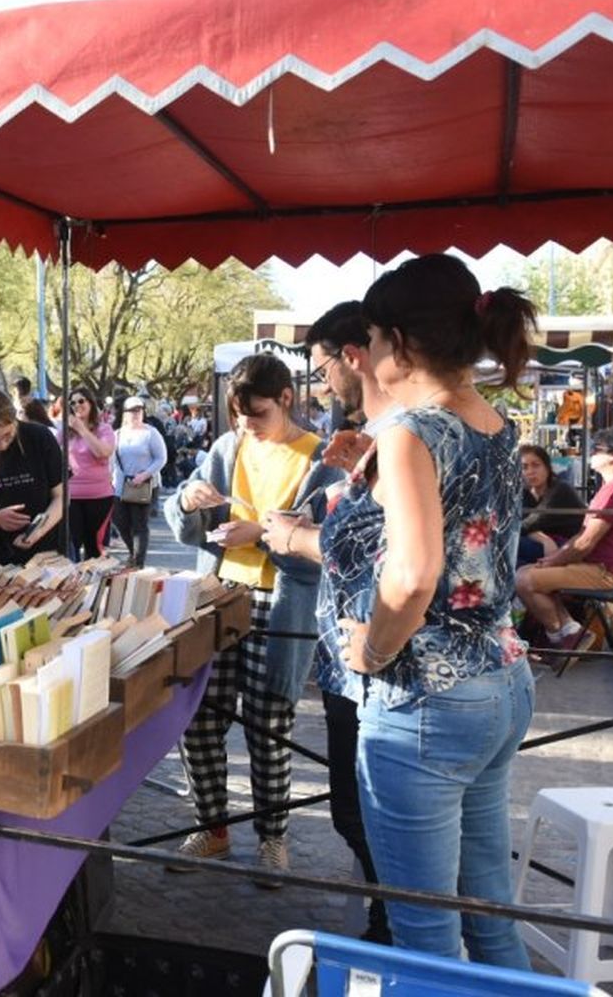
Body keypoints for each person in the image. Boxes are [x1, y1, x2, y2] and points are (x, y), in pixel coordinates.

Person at [315, 253, 536, 969]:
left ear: (399, 342)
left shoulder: (414, 430)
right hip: (499, 681)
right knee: (490, 917)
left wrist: (370, 650)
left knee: (425, 942)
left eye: (374, 338)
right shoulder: (491, 422)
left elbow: (412, 577)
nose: (369, 354)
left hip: (425, 701)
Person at [167, 353, 339, 880]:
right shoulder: (227, 446)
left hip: (280, 602)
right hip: (220, 593)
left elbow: (325, 545)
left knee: (269, 725)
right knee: (199, 717)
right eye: (238, 415)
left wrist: (260, 534)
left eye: (257, 414)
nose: (247, 425)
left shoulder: (321, 459)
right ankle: (212, 827)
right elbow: (183, 514)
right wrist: (190, 501)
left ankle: (272, 837)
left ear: (286, 399)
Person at [260, 299, 392, 943]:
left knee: (364, 816)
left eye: (321, 368)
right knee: (361, 816)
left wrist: (295, 538)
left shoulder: (414, 433)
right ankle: (395, 922)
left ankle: (395, 933)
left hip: (380, 669)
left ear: (353, 355)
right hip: (368, 664)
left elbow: (400, 559)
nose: (323, 384)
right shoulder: (389, 434)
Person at [516, 427, 613, 651]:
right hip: (600, 566)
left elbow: (586, 542)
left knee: (523, 580)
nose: (591, 453)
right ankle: (570, 632)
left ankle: (558, 638)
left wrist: (554, 560)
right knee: (526, 571)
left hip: (605, 572)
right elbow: (582, 535)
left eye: (597, 449)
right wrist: (554, 557)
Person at [0, 389, 64, 565]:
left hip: (42, 551)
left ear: (14, 422)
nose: (1, 445)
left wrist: (36, 532)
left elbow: (61, 496)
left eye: (7, 435)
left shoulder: (39, 437)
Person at [60, 386, 117, 561]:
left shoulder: (104, 429)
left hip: (99, 497)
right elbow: (53, 454)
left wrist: (82, 430)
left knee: (94, 547)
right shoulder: (65, 432)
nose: (77, 405)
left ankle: (94, 585)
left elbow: (103, 452)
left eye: (81, 401)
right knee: (72, 544)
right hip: (72, 497)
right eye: (73, 403)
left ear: (90, 403)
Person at [111, 397, 166, 567]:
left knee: (139, 525)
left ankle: (138, 562)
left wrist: (144, 475)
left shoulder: (151, 433)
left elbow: (161, 458)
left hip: (145, 485)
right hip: (120, 485)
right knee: (120, 521)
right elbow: (111, 461)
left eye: (139, 410)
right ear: (125, 414)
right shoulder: (117, 434)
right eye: (132, 410)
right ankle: (132, 553)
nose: (136, 413)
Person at [515, 444, 586, 568]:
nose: (530, 472)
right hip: (547, 543)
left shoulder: (560, 489)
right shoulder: (525, 492)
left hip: (569, 546)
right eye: (524, 467)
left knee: (510, 545)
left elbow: (529, 523)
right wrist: (544, 539)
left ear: (547, 467)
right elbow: (522, 522)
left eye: (536, 465)